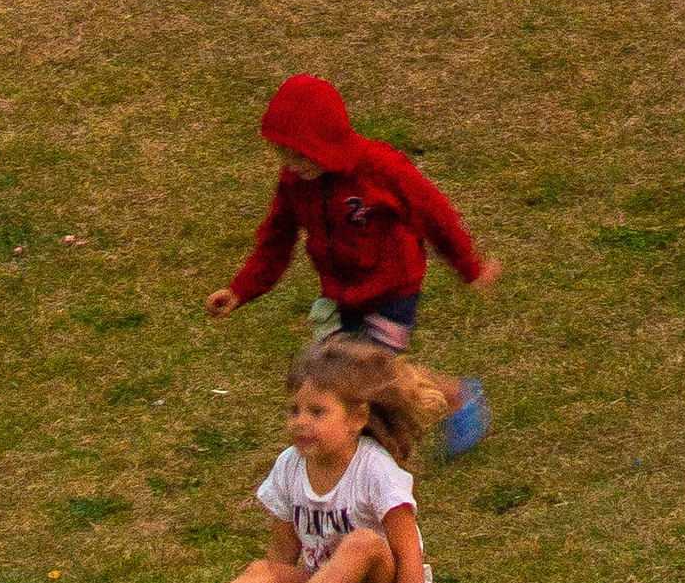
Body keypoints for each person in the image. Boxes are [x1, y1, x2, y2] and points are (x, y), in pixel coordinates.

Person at [206, 72, 499, 456]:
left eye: (298, 154)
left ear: (325, 144)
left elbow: (433, 212)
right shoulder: (297, 181)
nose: (290, 164)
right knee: (346, 374)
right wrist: (241, 289)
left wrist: (469, 266)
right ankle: (369, 438)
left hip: (393, 290)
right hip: (341, 295)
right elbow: (277, 238)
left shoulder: (380, 169)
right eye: (283, 154)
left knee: (372, 370)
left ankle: (458, 398)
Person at [123, 340, 440, 583]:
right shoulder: (289, 464)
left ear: (357, 418)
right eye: (295, 410)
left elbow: (409, 556)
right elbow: (283, 552)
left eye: (317, 412)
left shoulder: (376, 469)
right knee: (263, 570)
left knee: (364, 542)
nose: (301, 421)